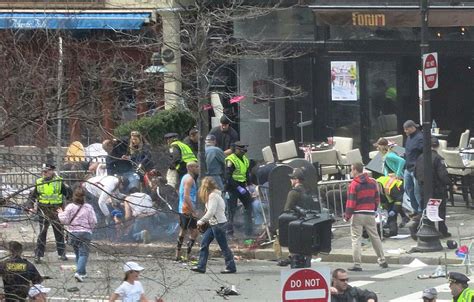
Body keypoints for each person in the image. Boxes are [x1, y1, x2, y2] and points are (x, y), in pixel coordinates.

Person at [345, 162, 388, 271]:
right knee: (375, 236)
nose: (351, 172)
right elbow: (377, 198)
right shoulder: (372, 182)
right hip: (369, 213)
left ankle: (357, 264)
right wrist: (373, 209)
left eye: (351, 169)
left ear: (355, 170)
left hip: (357, 214)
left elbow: (351, 202)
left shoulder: (353, 184)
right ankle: (382, 259)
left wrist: (347, 216)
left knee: (356, 238)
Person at [190, 177, 236, 274]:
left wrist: (201, 221)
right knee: (204, 243)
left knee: (223, 246)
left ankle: (231, 267)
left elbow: (211, 211)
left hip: (218, 223)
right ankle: (201, 266)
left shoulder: (213, 196)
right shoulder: (215, 195)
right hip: (214, 223)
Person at [29, 163, 72, 264]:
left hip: (56, 209)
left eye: (47, 171)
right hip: (43, 210)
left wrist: (66, 186)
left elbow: (69, 195)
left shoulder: (59, 182)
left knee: (59, 232)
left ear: (52, 171)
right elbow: (32, 196)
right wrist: (30, 206)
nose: (44, 173)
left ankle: (62, 253)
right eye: (43, 171)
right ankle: (38, 255)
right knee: (42, 233)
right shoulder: (39, 182)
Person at [415, 137, 453, 238]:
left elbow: (416, 173)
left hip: (423, 188)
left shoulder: (420, 157)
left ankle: (424, 226)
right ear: (438, 146)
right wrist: (451, 184)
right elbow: (443, 175)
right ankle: (442, 231)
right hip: (437, 188)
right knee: (440, 210)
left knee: (425, 209)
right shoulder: (438, 158)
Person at [57, 186, 97, 282]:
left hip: (73, 233)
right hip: (85, 232)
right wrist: (90, 229)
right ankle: (79, 272)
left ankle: (82, 272)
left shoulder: (70, 207)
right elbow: (93, 221)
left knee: (77, 252)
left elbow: (64, 220)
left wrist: (60, 213)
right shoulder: (88, 207)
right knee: (84, 253)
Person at [374, 137, 408, 236]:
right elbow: (385, 169)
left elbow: (402, 161)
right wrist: (385, 179)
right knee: (393, 200)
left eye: (378, 146)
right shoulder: (385, 156)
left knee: (395, 199)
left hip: (397, 180)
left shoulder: (389, 156)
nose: (377, 148)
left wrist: (397, 174)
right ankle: (403, 216)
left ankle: (401, 217)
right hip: (390, 179)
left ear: (382, 147)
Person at [225, 142, 254, 237]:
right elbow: (228, 177)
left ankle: (248, 231)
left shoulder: (245, 160)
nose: (242, 152)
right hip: (232, 187)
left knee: (249, 205)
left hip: (242, 186)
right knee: (231, 211)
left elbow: (246, 174)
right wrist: (237, 187)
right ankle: (229, 233)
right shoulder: (230, 160)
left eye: (243, 150)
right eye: (240, 150)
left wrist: (250, 186)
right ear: (235, 150)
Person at [175, 161, 200, 262]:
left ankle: (178, 254)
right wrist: (193, 210)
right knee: (194, 232)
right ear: (190, 168)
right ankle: (187, 255)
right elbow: (186, 196)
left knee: (183, 231)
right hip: (187, 209)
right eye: (196, 167)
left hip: (183, 208)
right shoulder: (189, 179)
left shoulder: (185, 177)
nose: (198, 168)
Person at [403, 119, 424, 215]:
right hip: (408, 167)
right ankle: (415, 209)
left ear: (412, 128)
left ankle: (421, 210)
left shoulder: (420, 138)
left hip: (416, 168)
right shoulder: (408, 137)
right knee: (408, 189)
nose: (405, 131)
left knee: (417, 191)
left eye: (406, 129)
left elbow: (423, 153)